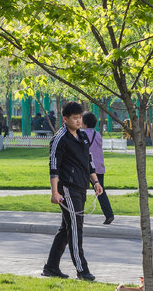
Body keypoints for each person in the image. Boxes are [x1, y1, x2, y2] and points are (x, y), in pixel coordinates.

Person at [43, 101, 102, 281]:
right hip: (67, 188)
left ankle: (51, 267)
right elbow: (53, 167)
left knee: (66, 228)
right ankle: (82, 270)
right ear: (65, 119)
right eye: (75, 118)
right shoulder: (59, 138)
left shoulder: (82, 136)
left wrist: (95, 182)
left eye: (80, 118)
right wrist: (55, 192)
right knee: (76, 229)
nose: (78, 121)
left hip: (81, 186)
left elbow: (88, 161)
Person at [82, 112, 114, 225]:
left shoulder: (81, 134)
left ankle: (78, 215)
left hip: (86, 167)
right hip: (99, 167)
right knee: (101, 191)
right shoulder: (98, 135)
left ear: (83, 122)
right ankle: (109, 214)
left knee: (81, 191)